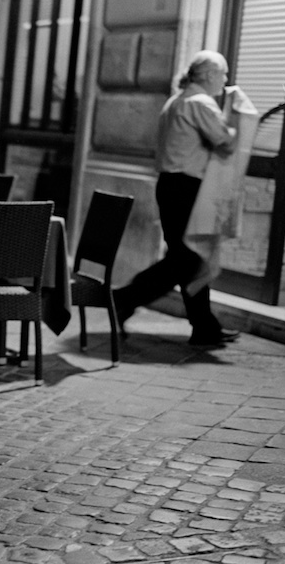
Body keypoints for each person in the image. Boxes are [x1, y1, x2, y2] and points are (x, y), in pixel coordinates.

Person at [113, 50, 241, 348]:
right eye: (222, 74)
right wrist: (240, 119)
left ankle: (204, 327)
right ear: (208, 75)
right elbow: (225, 141)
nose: (225, 80)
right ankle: (123, 299)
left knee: (190, 258)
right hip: (186, 187)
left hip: (171, 186)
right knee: (189, 258)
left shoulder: (177, 100)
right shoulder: (200, 102)